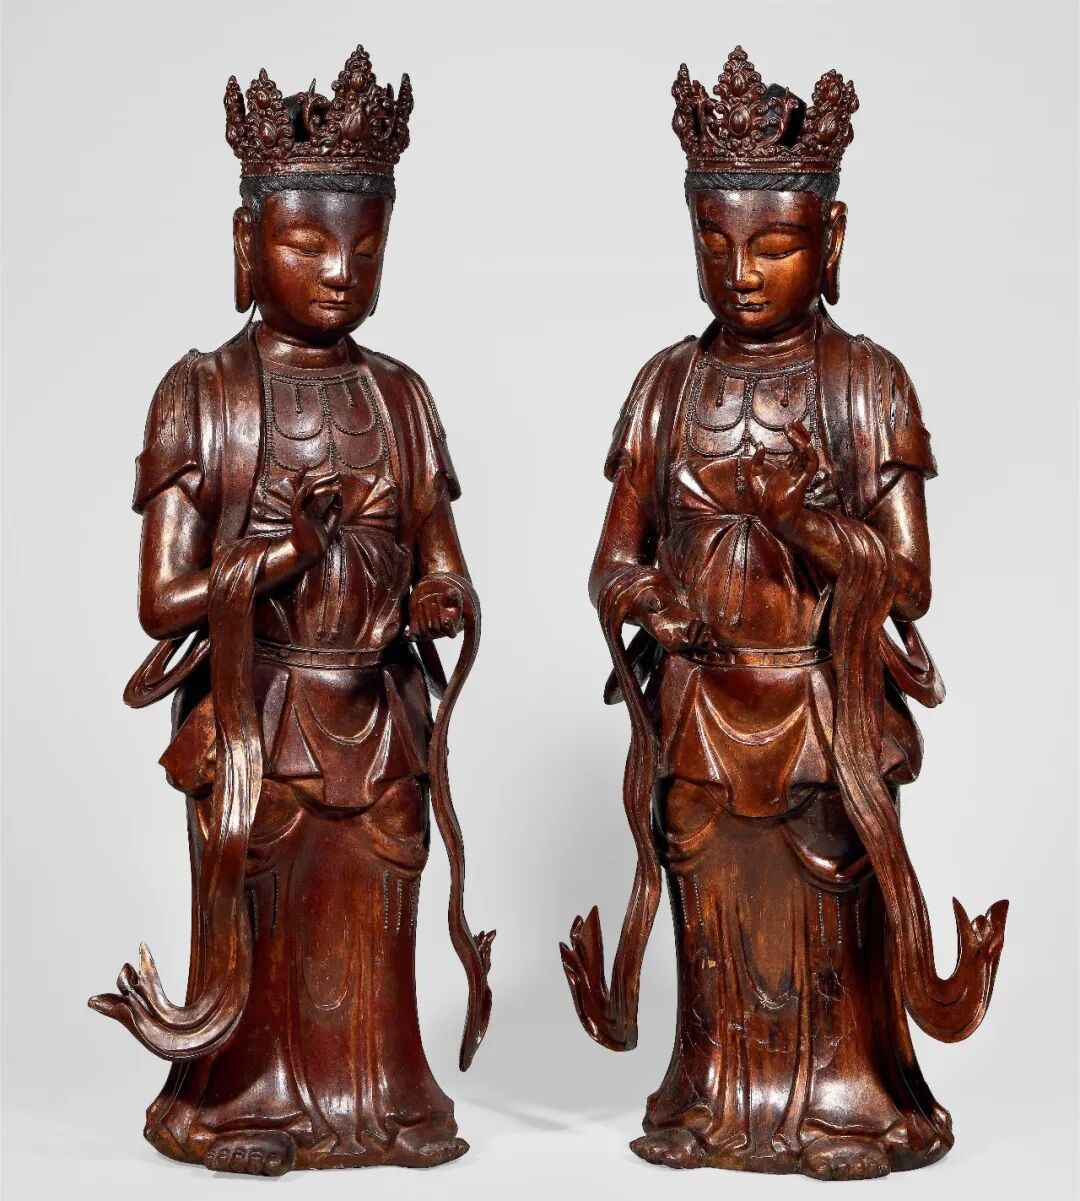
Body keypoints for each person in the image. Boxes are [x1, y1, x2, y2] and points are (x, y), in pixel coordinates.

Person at [561, 47, 1007, 1180]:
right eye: (716, 243)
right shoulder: (667, 386)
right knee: (713, 917)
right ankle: (716, 1099)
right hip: (703, 708)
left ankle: (847, 1102)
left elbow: (909, 580)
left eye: (775, 244)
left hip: (819, 709)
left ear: (832, 238)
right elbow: (612, 560)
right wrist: (651, 603)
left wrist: (808, 526)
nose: (744, 271)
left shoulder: (867, 386)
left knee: (827, 909)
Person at [89, 45, 492, 1175]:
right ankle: (240, 1100)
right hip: (260, 718)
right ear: (246, 241)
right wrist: (278, 556)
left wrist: (441, 598)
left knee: (379, 914)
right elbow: (162, 599)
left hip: (379, 717)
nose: (337, 270)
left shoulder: (399, 397)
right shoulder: (203, 395)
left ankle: (382, 1098)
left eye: (364, 245)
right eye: (305, 242)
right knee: (265, 918)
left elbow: (445, 564)